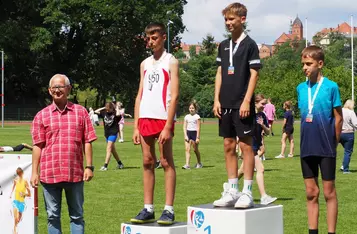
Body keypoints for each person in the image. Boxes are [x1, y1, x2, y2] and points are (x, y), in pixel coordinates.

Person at [31, 74, 97, 234]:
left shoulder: (80, 112)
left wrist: (89, 166)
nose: (57, 90)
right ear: (49, 90)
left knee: (77, 216)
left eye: (60, 87)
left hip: (74, 173)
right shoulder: (41, 115)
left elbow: (87, 141)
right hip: (49, 174)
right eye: (54, 87)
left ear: (68, 89)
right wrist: (34, 171)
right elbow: (37, 146)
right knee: (52, 216)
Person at [213, 2, 261, 209]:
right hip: (225, 103)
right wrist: (216, 99)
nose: (228, 23)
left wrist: (247, 100)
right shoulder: (223, 45)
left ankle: (247, 192)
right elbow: (219, 73)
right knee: (228, 145)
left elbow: (254, 73)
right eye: (226, 19)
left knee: (245, 145)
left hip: (242, 103)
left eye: (232, 19)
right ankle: (232, 190)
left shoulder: (251, 45)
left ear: (242, 19)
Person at [131, 22, 179, 225]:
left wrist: (168, 125)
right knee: (147, 162)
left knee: (166, 162)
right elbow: (140, 94)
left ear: (163, 38)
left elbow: (175, 95)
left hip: (163, 117)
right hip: (145, 118)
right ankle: (148, 208)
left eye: (154, 37)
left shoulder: (172, 61)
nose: (151, 41)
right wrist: (135, 125)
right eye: (148, 38)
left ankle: (168, 209)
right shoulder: (144, 64)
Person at [297, 46, 342, 234]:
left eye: (309, 64)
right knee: (310, 193)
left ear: (320, 64)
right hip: (306, 146)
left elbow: (338, 117)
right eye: (303, 64)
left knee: (328, 192)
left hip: (326, 147)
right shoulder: (301, 88)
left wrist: (334, 141)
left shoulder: (331, 87)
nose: (305, 68)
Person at [237, 94, 277, 205]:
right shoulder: (248, 114)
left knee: (241, 171)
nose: (264, 106)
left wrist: (263, 125)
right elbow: (241, 132)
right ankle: (264, 196)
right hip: (249, 146)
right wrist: (239, 147)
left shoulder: (262, 115)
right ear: (255, 103)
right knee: (261, 169)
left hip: (256, 145)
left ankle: (230, 187)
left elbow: (268, 132)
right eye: (262, 104)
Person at [95, 102, 124, 171]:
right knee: (113, 150)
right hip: (107, 134)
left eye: (109, 109)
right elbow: (96, 111)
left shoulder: (115, 113)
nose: (107, 111)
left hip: (113, 133)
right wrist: (104, 108)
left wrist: (116, 108)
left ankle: (105, 166)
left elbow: (118, 115)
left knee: (108, 149)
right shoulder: (104, 113)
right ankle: (120, 164)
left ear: (112, 108)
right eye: (107, 109)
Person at [10, 167, 31, 234]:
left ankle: (16, 228)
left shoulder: (25, 181)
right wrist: (11, 194)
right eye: (18, 173)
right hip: (15, 201)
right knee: (15, 218)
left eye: (20, 173)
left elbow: (29, 194)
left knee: (18, 219)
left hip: (21, 203)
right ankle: (15, 231)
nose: (19, 175)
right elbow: (13, 187)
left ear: (22, 173)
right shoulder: (15, 180)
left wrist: (24, 194)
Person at [182, 101, 202, 169]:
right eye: (190, 108)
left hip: (194, 134)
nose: (191, 109)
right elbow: (184, 127)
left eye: (192, 108)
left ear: (195, 109)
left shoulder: (197, 117)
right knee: (187, 149)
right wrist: (185, 135)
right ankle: (187, 165)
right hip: (188, 133)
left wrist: (197, 137)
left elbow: (198, 127)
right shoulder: (186, 117)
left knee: (195, 150)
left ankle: (199, 163)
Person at [339, 99, 357, 174]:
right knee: (348, 151)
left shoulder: (340, 111)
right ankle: (345, 169)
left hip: (338, 133)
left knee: (332, 150)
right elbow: (355, 123)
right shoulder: (351, 112)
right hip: (348, 134)